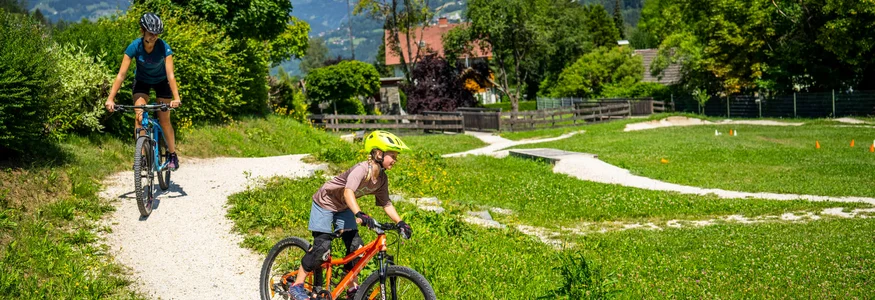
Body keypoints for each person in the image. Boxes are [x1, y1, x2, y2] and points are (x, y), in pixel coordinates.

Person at [289, 130, 414, 300]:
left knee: (356, 247)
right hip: (325, 202)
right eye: (392, 155)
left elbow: (386, 203)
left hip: (344, 208)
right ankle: (297, 285)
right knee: (322, 248)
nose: (395, 160)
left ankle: (351, 287)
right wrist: (359, 213)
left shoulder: (382, 179)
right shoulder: (362, 169)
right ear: (378, 153)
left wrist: (400, 222)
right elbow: (348, 192)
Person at [105, 12, 181, 170]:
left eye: (156, 34)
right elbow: (121, 75)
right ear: (143, 31)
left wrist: (176, 97)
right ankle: (142, 158)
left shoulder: (164, 47)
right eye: (150, 33)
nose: (153, 36)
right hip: (142, 82)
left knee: (165, 120)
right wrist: (110, 98)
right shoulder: (134, 46)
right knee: (139, 118)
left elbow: (170, 74)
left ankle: (173, 154)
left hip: (162, 82)